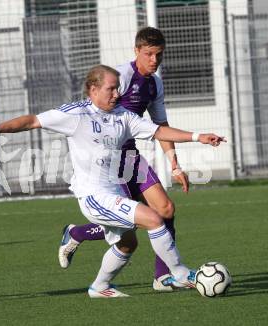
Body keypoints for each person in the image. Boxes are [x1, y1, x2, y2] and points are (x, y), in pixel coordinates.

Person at [0, 65, 224, 298]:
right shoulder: (75, 114)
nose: (117, 93)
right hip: (93, 196)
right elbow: (32, 121)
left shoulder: (122, 116)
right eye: (111, 88)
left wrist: (198, 136)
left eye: (118, 88)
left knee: (128, 243)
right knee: (155, 219)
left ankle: (99, 286)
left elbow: (159, 131)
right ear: (93, 90)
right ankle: (179, 273)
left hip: (113, 190)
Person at [58, 27, 188, 292]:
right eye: (149, 54)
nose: (154, 60)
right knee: (132, 223)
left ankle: (163, 278)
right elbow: (93, 110)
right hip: (107, 162)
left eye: (159, 55)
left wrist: (175, 164)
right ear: (137, 51)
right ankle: (77, 234)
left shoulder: (155, 83)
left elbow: (160, 124)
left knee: (165, 210)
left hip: (130, 158)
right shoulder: (122, 77)